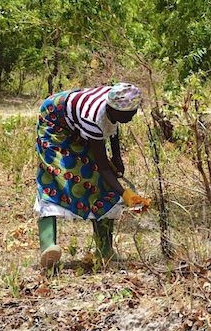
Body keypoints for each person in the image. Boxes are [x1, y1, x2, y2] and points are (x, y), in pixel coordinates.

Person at [35, 83, 151, 269]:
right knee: (54, 178)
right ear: (112, 108)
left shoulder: (114, 105)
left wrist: (117, 157)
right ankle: (48, 247)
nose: (132, 117)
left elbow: (112, 126)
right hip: (54, 122)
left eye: (134, 111)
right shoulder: (93, 118)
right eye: (128, 114)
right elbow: (103, 167)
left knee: (101, 186)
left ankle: (105, 249)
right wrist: (125, 194)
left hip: (76, 120)